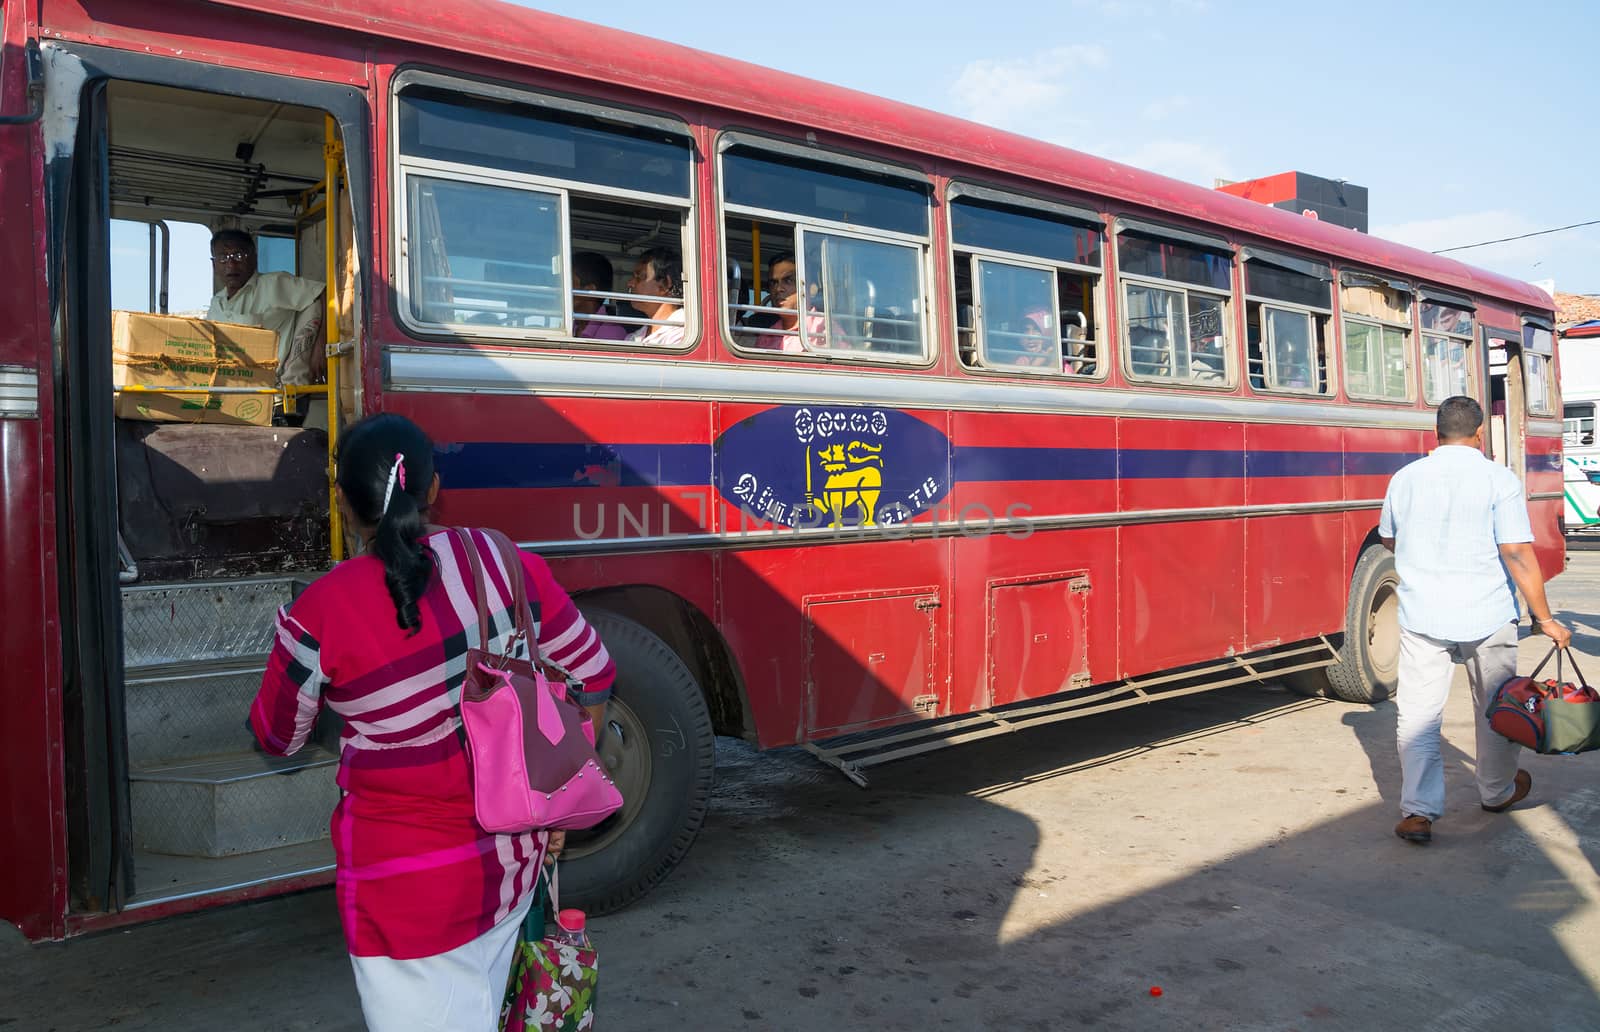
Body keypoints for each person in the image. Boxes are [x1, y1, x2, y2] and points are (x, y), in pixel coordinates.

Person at [249, 413, 616, 1029]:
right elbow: (595, 674)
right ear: (435, 488)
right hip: (510, 868)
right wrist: (554, 802)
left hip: (403, 897)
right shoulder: (503, 560)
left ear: (343, 503)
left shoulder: (316, 616)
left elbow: (276, 737)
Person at [1380, 395, 1571, 845]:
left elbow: (1389, 538)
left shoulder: (1404, 478)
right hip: (1487, 613)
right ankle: (1497, 791)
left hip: (1423, 613)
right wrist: (1544, 619)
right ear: (1480, 434)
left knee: (1418, 716)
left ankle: (1418, 812)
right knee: (1498, 708)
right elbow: (1518, 553)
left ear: (1436, 434)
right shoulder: (1497, 478)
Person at [206, 229, 326, 388]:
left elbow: (322, 292)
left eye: (238, 256)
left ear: (254, 259)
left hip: (272, 390)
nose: (231, 264)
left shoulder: (273, 284)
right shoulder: (216, 303)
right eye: (223, 258)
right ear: (214, 265)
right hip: (232, 389)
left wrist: (321, 346)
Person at [625, 246, 686, 347]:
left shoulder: (683, 335)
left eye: (640, 277)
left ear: (665, 284)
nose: (630, 283)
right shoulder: (633, 337)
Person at [571, 250, 628, 341]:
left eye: (569, 282)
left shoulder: (612, 333)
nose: (562, 289)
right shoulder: (571, 326)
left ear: (589, 291)